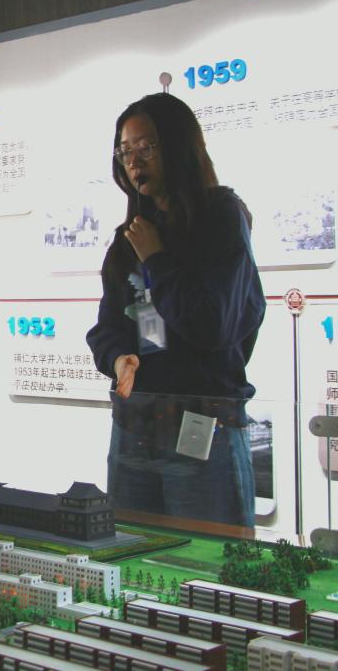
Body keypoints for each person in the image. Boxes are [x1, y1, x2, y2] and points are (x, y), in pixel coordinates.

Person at [86, 93, 265, 528]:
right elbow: (107, 327)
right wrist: (118, 359)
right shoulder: (130, 235)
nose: (134, 161)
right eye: (125, 151)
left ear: (178, 146)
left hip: (202, 424)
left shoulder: (220, 217)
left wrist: (157, 260)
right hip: (135, 425)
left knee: (206, 559)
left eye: (146, 147)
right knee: (131, 553)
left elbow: (213, 324)